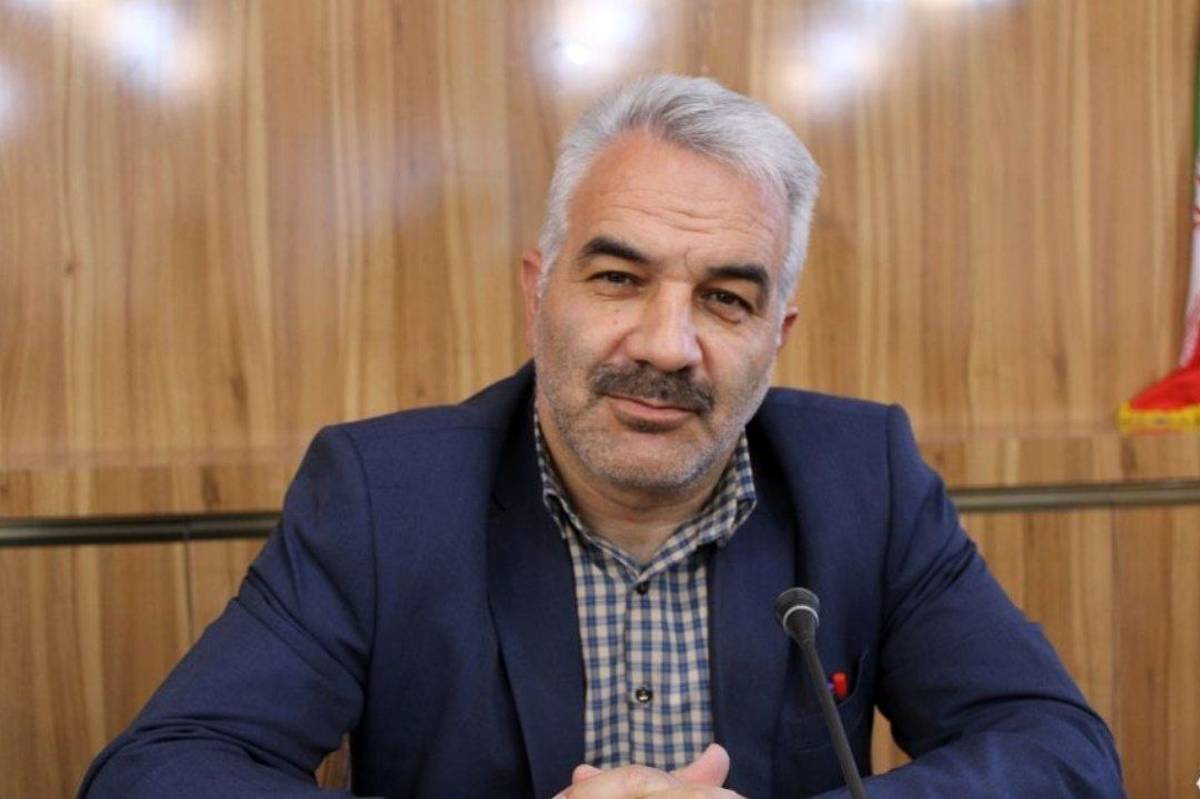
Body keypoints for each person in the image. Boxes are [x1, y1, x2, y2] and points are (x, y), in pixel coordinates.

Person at [80, 75, 1123, 798]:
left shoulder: (864, 479)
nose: (667, 344)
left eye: (725, 298)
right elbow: (157, 773)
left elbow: (1060, 753)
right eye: (620, 278)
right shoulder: (380, 495)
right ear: (539, 294)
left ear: (777, 336)